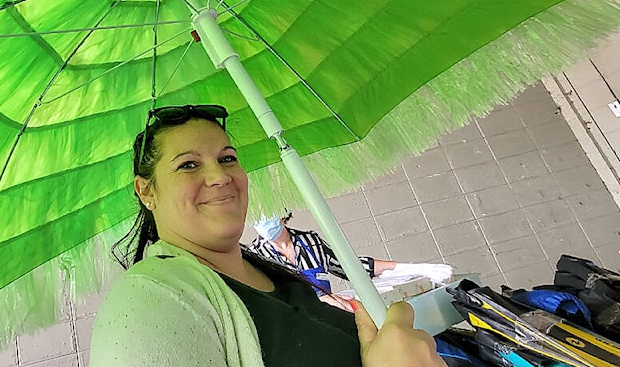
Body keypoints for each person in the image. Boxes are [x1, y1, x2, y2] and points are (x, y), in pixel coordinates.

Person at [91, 103, 447, 366]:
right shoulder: (150, 300)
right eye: (188, 164)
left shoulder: (263, 271)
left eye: (228, 158)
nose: (220, 176)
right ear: (146, 192)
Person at [249, 216, 452, 298]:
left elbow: (354, 268)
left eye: (268, 215)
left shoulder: (310, 241)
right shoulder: (254, 256)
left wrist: (416, 269)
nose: (263, 223)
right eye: (257, 218)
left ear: (283, 215)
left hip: (332, 319)